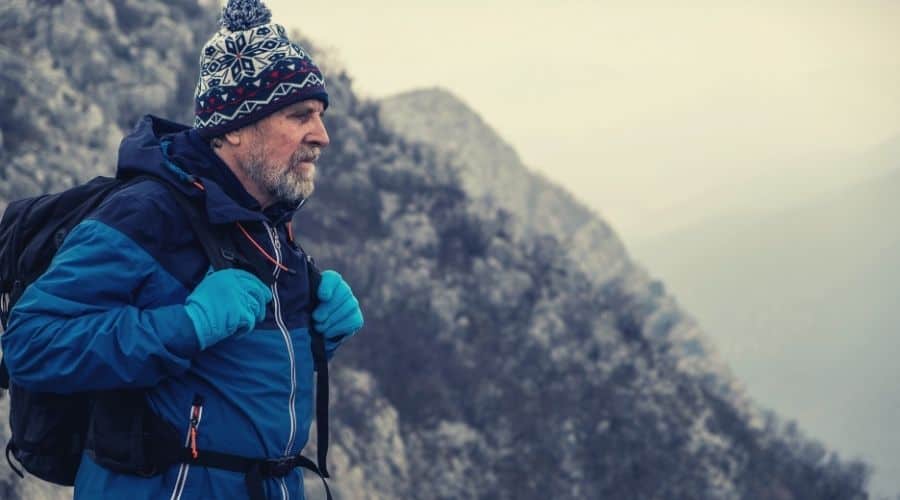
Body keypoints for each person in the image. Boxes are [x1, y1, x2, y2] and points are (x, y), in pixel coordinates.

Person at [0, 0, 363, 498]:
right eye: (300, 114)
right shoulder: (148, 215)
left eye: (320, 116)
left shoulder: (268, 227)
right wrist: (186, 325)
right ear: (235, 127)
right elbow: (31, 343)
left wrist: (315, 338)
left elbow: (232, 382)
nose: (322, 136)